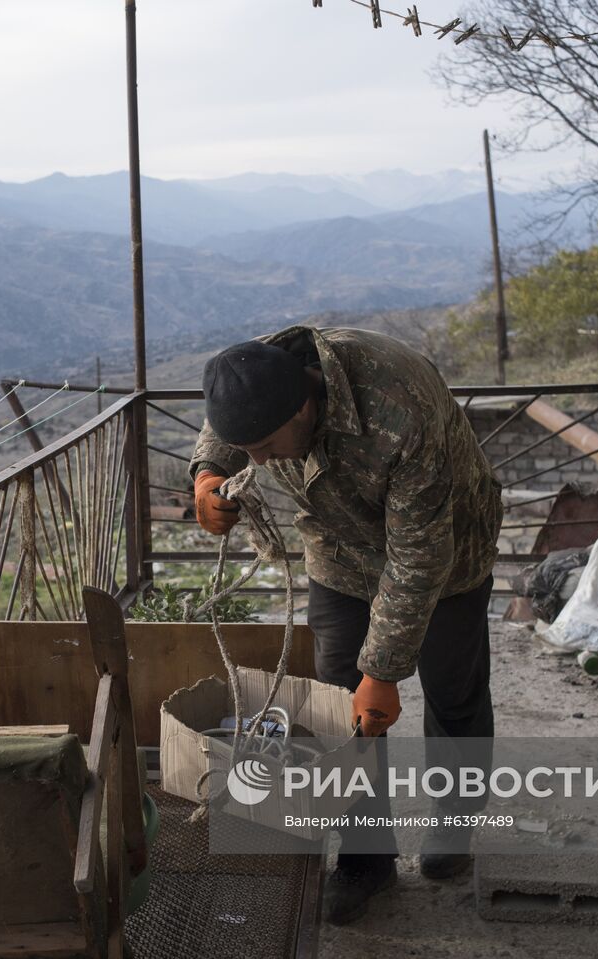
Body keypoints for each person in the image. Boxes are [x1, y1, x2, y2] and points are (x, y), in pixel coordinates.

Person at [189, 325, 502, 925]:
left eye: (267, 447)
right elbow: (227, 420)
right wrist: (207, 472)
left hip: (446, 551)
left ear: (304, 407)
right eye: (247, 451)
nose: (256, 463)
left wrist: (382, 671)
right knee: (340, 709)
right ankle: (367, 859)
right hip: (337, 551)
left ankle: (454, 825)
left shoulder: (402, 408)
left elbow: (418, 558)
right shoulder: (259, 369)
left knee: (452, 690)